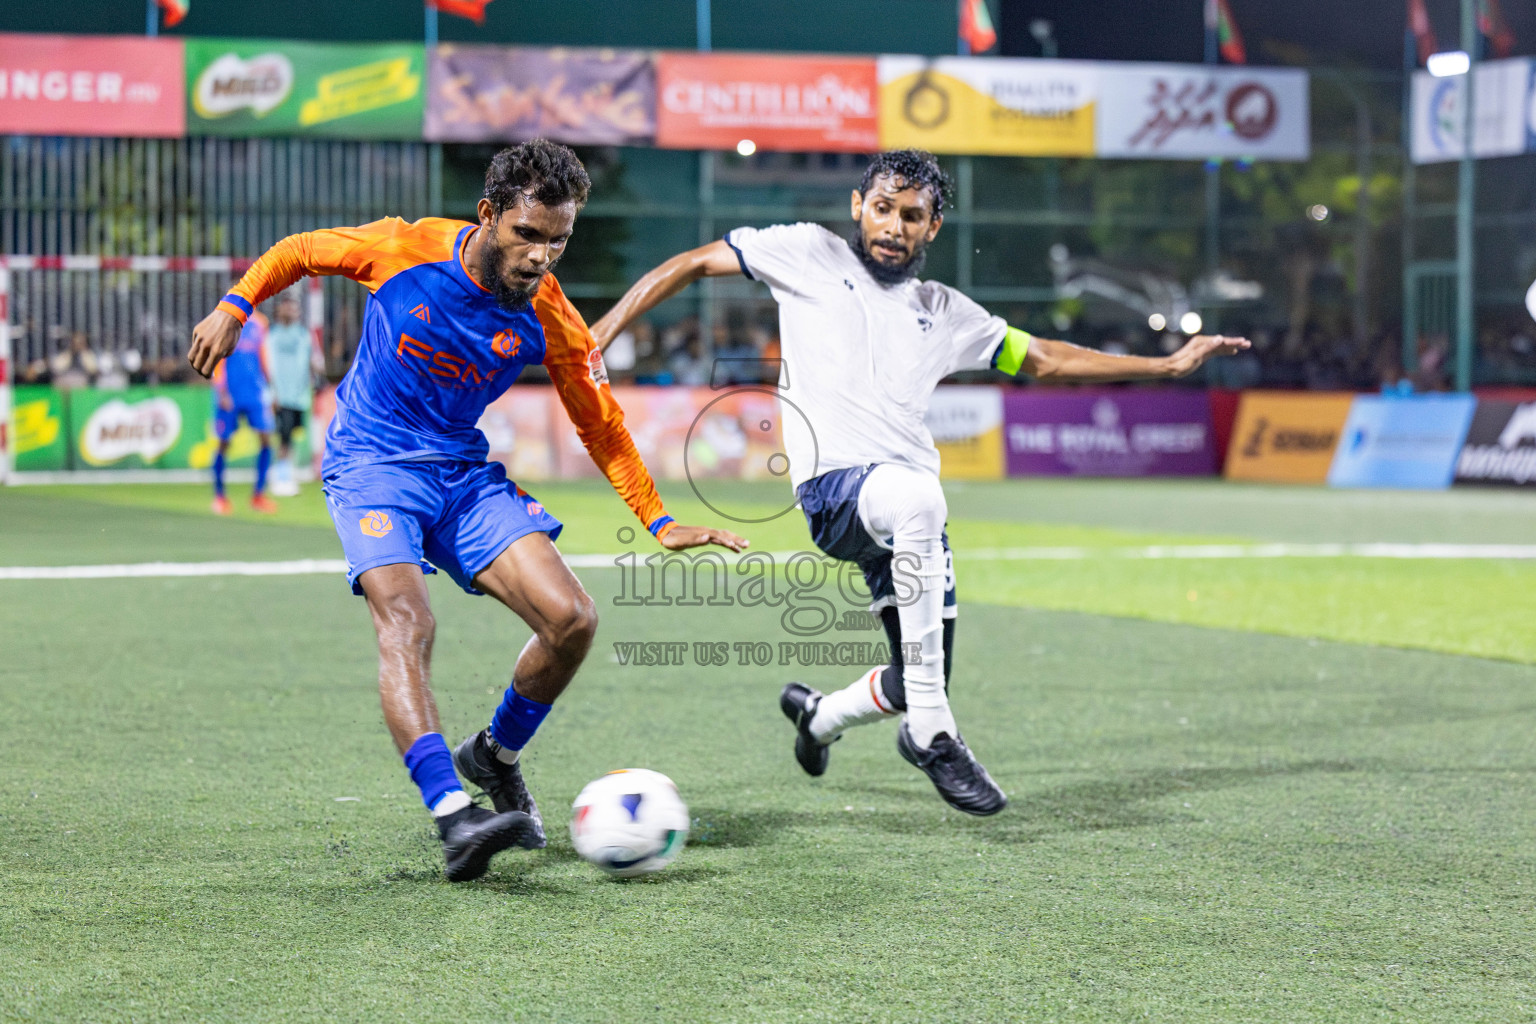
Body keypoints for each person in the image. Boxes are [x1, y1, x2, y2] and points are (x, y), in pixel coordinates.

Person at [592, 149, 1248, 817]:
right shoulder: (808, 253)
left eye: (912, 215)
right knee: (920, 502)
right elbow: (695, 262)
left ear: (932, 227)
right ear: (858, 206)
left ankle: (819, 718)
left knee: (916, 673)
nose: (894, 226)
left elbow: (1043, 358)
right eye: (883, 209)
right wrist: (605, 328)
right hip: (837, 494)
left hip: (905, 519)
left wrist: (1166, 367)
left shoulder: (947, 312)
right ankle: (933, 735)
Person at [187, 140, 746, 882]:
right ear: (488, 216)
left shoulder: (553, 316)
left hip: (460, 472)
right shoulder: (403, 248)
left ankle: (493, 756)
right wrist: (235, 304)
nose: (543, 255)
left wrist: (658, 519)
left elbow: (601, 425)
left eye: (559, 239)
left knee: (572, 620)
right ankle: (453, 814)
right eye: (528, 234)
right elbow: (298, 251)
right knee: (409, 621)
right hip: (372, 465)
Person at [210, 310, 277, 515]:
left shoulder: (260, 322)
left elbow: (263, 356)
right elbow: (217, 357)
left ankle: (258, 495)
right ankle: (220, 497)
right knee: (224, 442)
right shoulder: (226, 319)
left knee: (266, 440)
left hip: (255, 393)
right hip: (231, 393)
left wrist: (271, 389)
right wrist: (221, 390)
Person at [265, 294, 320, 497]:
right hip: (281, 394)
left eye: (294, 308)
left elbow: (312, 359)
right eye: (287, 308)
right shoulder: (272, 335)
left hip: (300, 395)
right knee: (284, 437)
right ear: (279, 310)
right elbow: (268, 364)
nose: (291, 311)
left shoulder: (303, 334)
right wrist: (272, 392)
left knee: (293, 435)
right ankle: (281, 477)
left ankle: (285, 472)